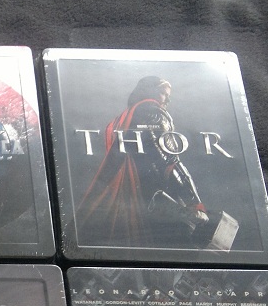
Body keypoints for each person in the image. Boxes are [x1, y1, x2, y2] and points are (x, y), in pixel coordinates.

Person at [78, 76, 211, 247]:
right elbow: (169, 160)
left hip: (127, 199)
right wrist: (195, 203)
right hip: (154, 198)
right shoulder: (154, 113)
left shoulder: (121, 118)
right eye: (163, 93)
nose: (167, 99)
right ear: (149, 91)